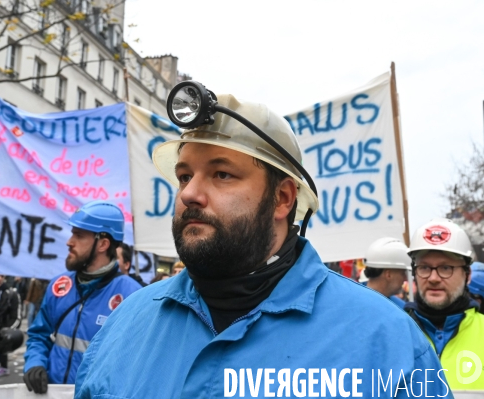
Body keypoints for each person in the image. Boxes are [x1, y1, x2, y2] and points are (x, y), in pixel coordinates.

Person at [73, 92, 448, 398]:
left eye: (222, 174)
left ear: (283, 199)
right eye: (184, 175)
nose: (189, 193)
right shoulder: (126, 323)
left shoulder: (388, 342)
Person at [23, 201, 142, 394]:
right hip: (50, 393)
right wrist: (35, 364)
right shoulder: (59, 285)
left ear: (103, 243)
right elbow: (39, 335)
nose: (69, 242)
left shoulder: (132, 296)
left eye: (78, 236)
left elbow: (134, 362)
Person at [405, 218, 484, 389]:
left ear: (467, 274)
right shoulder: (393, 333)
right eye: (424, 267)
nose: (433, 278)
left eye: (445, 268)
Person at [364, 237, 411, 308]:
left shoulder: (402, 308)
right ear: (388, 274)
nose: (406, 279)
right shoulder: (399, 309)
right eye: (403, 273)